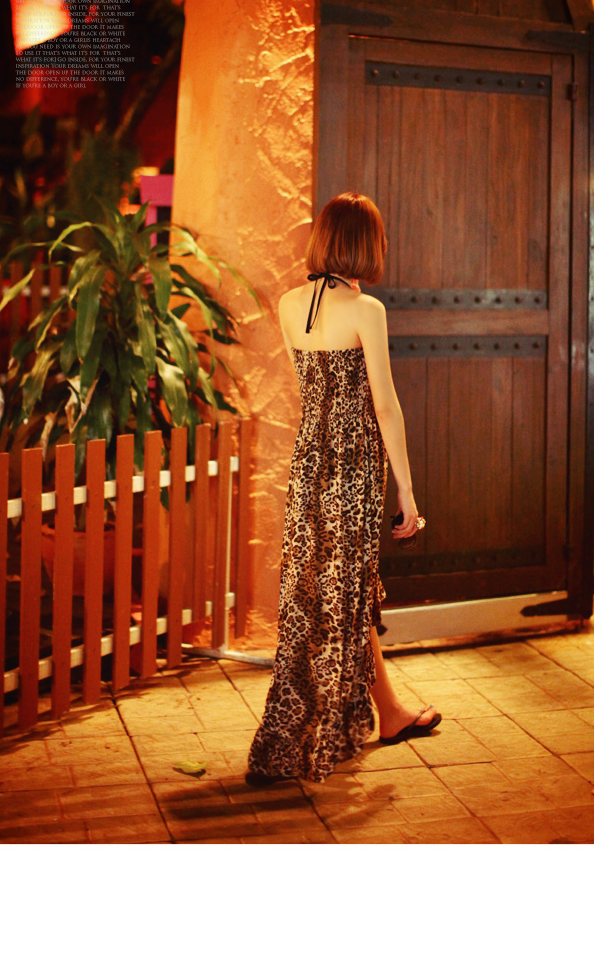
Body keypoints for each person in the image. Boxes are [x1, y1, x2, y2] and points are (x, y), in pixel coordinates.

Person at [246, 192, 442, 785]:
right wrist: (407, 492)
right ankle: (303, 733)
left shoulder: (289, 305)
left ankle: (389, 712)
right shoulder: (366, 310)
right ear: (366, 245)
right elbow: (385, 405)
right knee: (343, 594)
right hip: (354, 469)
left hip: (310, 463)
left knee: (332, 593)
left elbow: (312, 392)